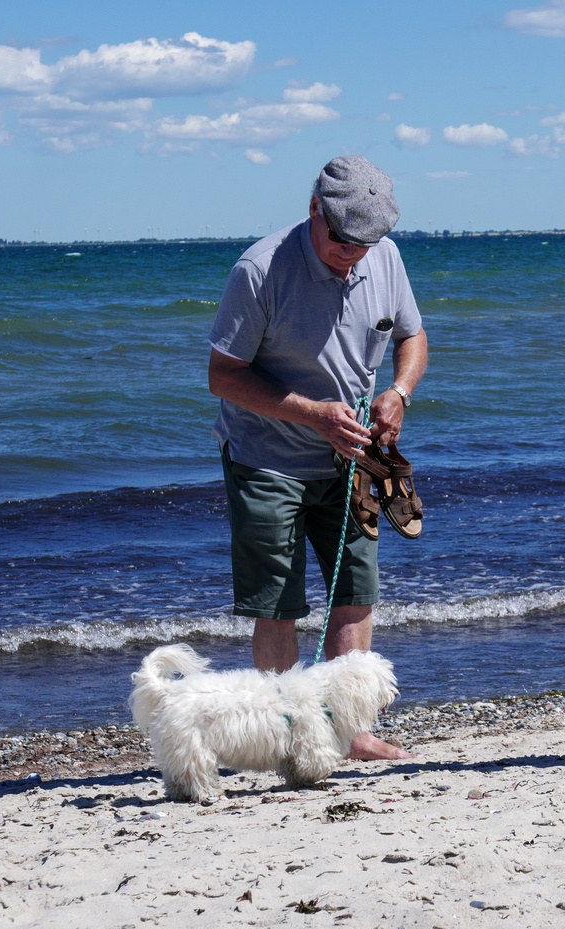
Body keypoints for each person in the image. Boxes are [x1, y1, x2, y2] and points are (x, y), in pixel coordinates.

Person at [206, 155, 427, 761]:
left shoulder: (384, 257)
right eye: (341, 239)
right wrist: (315, 415)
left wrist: (399, 393)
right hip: (266, 459)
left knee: (356, 594)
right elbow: (224, 377)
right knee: (276, 605)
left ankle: (348, 732)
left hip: (353, 459)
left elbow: (413, 336)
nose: (352, 253)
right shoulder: (258, 270)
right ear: (313, 211)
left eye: (366, 242)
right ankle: (286, 737)